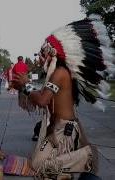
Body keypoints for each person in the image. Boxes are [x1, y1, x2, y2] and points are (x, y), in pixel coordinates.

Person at [12, 15, 114, 179]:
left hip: (65, 131)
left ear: (53, 53)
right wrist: (23, 88)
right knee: (39, 165)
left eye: (43, 51)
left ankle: (85, 156)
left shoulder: (60, 73)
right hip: (56, 128)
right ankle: (66, 171)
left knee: (39, 166)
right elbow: (43, 99)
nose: (40, 56)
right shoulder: (55, 73)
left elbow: (42, 100)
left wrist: (26, 85)